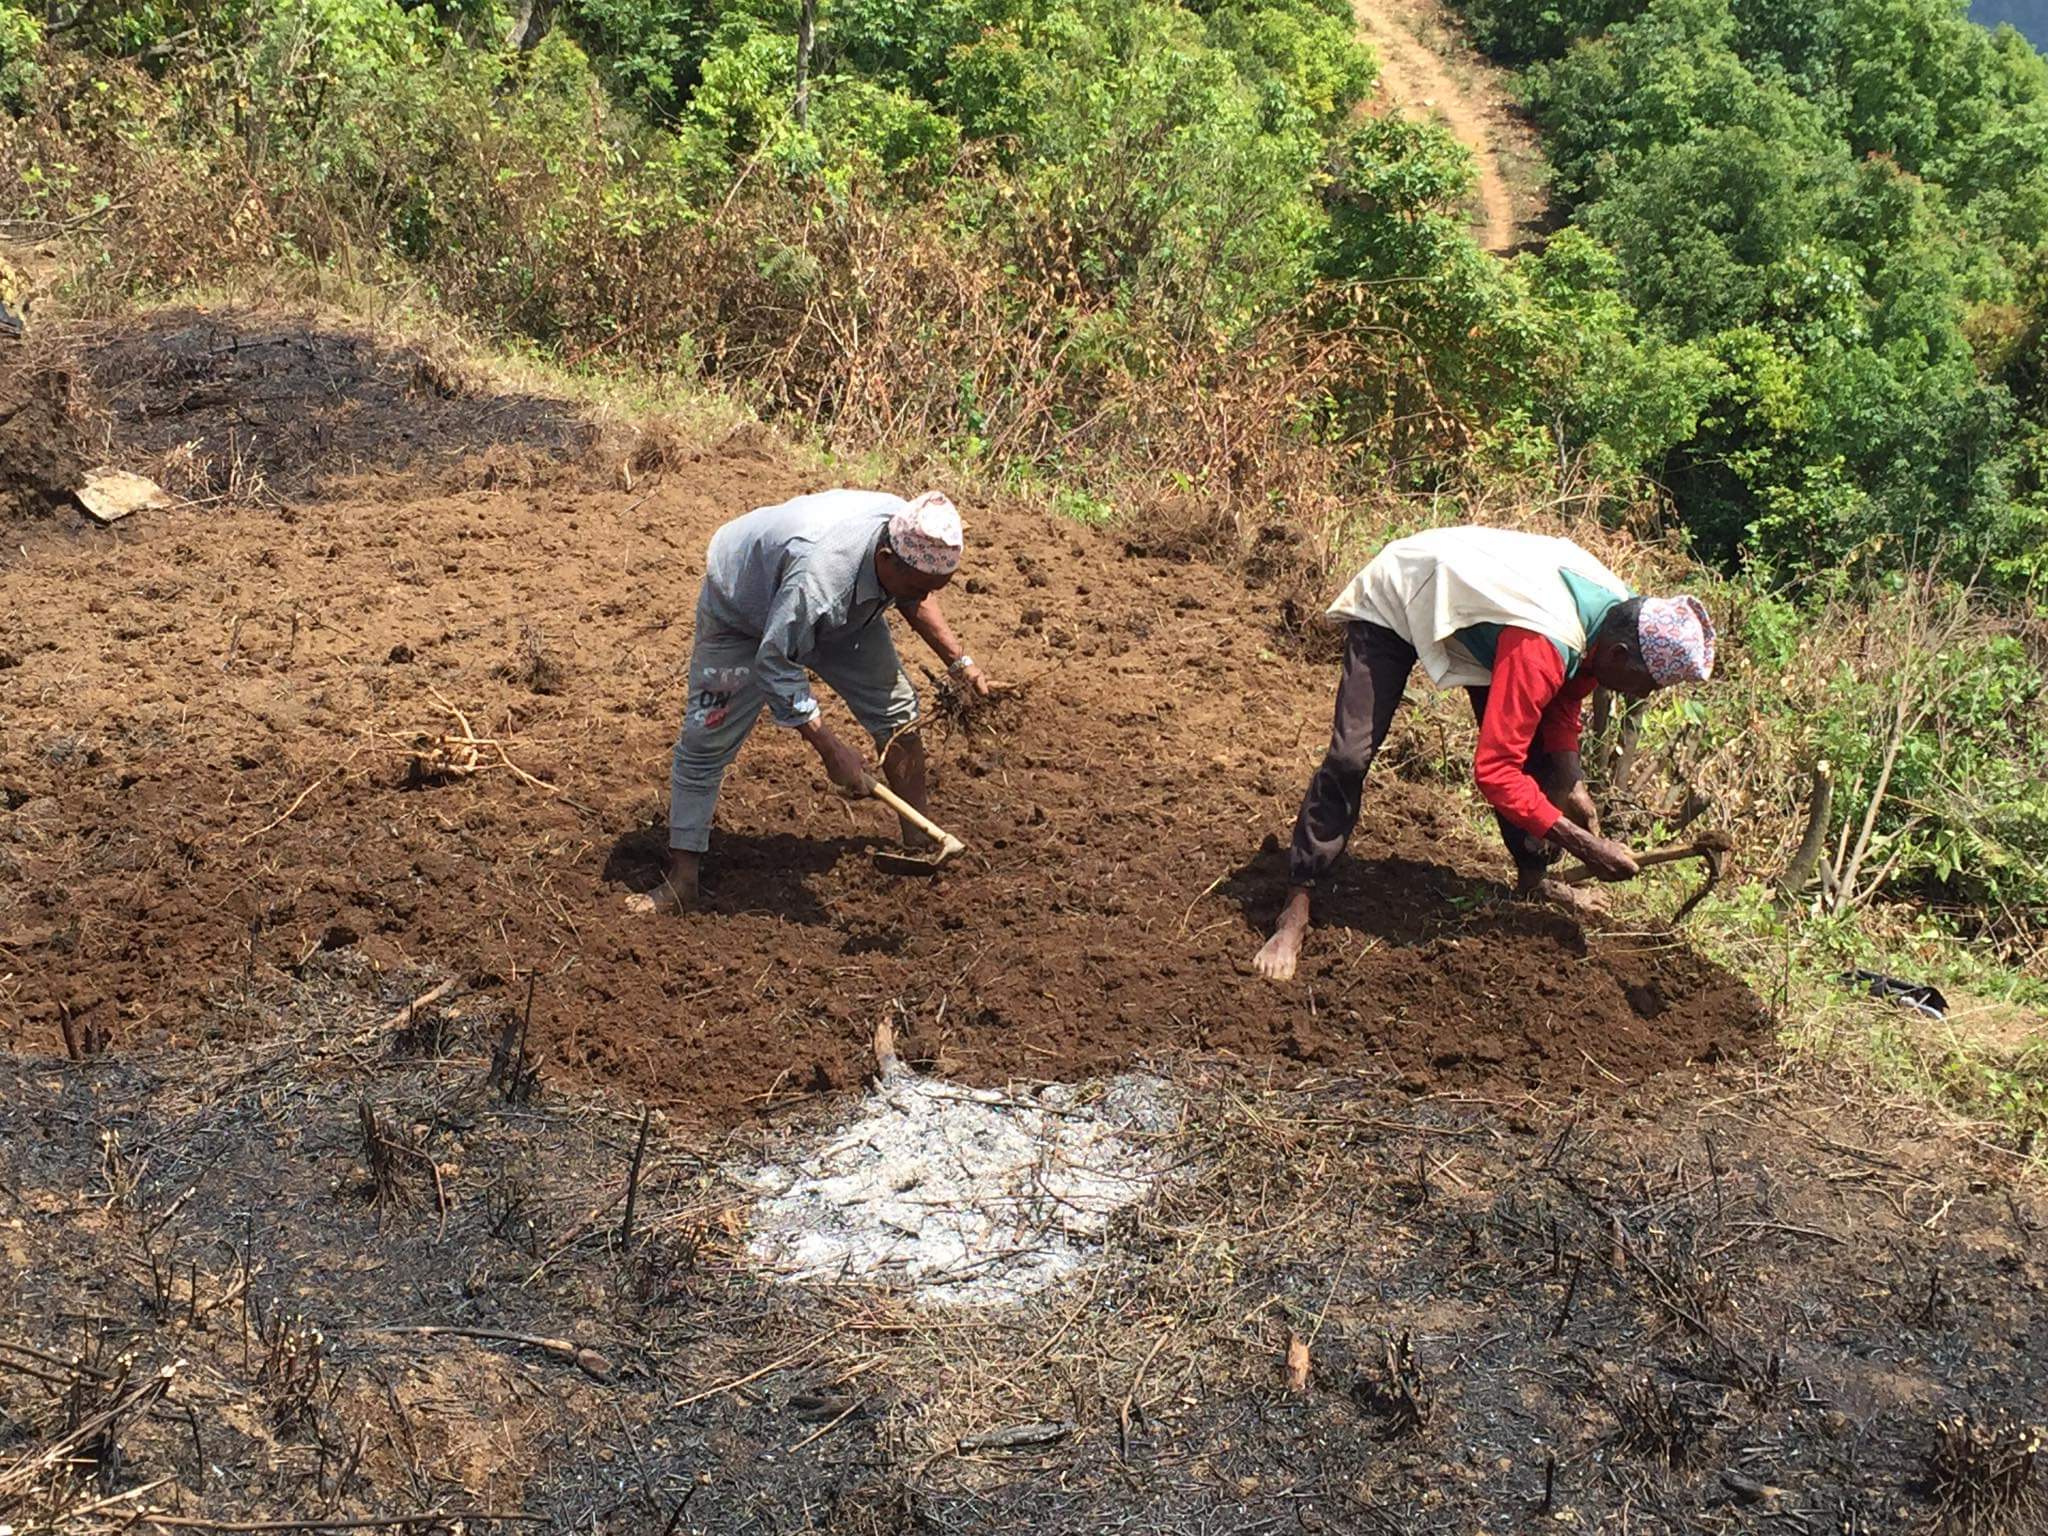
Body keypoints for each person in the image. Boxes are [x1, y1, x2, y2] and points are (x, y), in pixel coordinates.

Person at [1253, 524, 1715, 981]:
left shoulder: (1621, 620)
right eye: (1646, 684)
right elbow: (1495, 771)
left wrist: (1570, 777)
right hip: (1403, 592)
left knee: (1542, 763)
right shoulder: (1545, 643)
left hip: (1483, 618)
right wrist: (1584, 845)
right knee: (1350, 757)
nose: (1642, 696)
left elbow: (1568, 693)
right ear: (1618, 655)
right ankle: (1296, 907)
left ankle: (1534, 879)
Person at [630, 488, 992, 913]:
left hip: (844, 613)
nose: (918, 594)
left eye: (935, 586)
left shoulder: (912, 527)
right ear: (886, 558)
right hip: (743, 612)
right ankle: (682, 882)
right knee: (705, 740)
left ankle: (920, 841)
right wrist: (830, 749)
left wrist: (959, 663)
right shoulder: (819, 579)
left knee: (898, 715)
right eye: (915, 584)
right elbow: (774, 661)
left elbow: (915, 595)